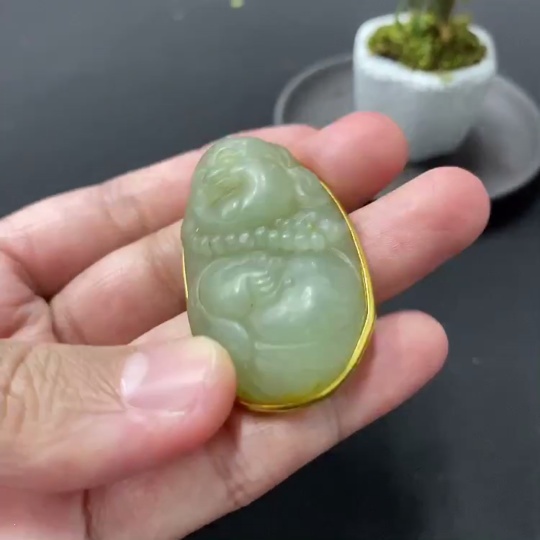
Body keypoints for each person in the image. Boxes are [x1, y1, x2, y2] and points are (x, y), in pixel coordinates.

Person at [0, 112, 489, 540]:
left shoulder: (307, 227)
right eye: (218, 182)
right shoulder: (216, 252)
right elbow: (217, 292)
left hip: (305, 310)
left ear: (290, 184)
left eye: (245, 175)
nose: (226, 183)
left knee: (308, 294)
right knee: (232, 294)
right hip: (252, 326)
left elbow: (325, 277)